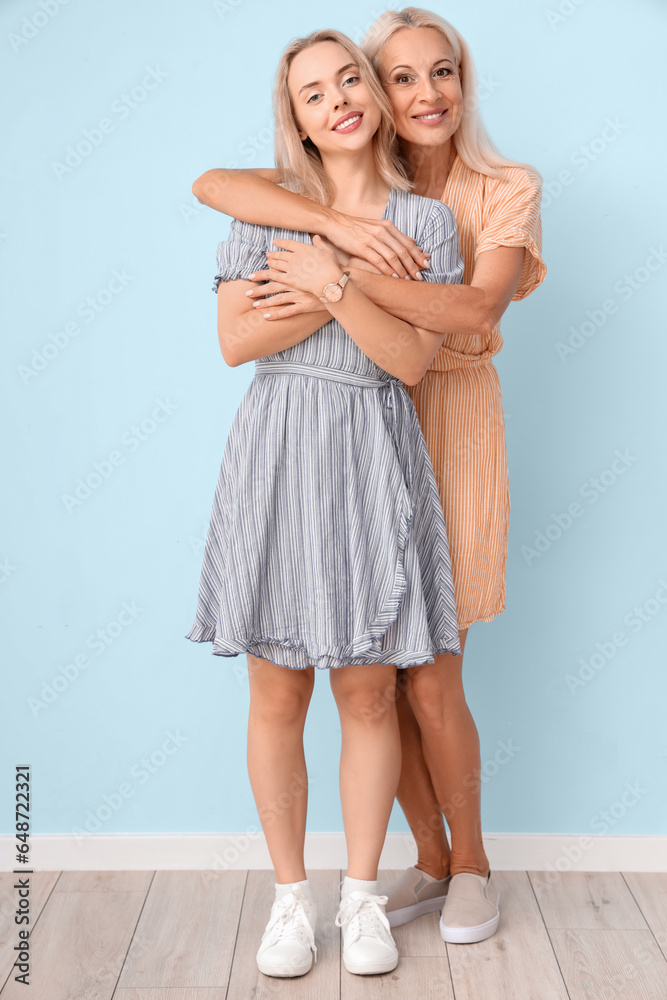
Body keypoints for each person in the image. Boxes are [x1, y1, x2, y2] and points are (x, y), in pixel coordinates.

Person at [191, 6, 546, 946]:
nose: (347, 100)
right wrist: (322, 251)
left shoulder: (458, 205)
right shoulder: (270, 201)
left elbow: (423, 345)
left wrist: (326, 280)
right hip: (287, 447)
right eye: (318, 92)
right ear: (300, 117)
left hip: (401, 439)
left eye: (352, 80)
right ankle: (326, 890)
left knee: (400, 679)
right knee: (295, 682)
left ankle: (424, 877)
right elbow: (235, 336)